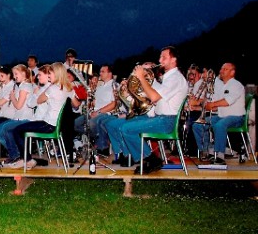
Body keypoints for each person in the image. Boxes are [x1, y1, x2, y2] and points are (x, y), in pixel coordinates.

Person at [105, 46, 188, 174]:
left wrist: (142, 77)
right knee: (124, 126)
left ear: (174, 60)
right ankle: (142, 158)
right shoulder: (169, 77)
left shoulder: (175, 78)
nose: (160, 59)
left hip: (167, 121)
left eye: (164, 57)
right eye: (160, 56)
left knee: (126, 129)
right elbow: (153, 95)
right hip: (160, 118)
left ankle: (150, 159)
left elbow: (154, 97)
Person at [9, 62, 81, 169]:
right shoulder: (68, 89)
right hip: (59, 126)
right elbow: (76, 105)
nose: (48, 76)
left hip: (48, 124)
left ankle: (27, 159)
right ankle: (26, 159)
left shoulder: (52, 89)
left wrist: (39, 90)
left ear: (56, 74)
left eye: (50, 74)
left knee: (16, 130)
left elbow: (38, 100)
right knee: (20, 129)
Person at [191, 62, 245, 165]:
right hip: (221, 116)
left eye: (225, 69)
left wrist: (212, 104)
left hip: (236, 117)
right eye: (221, 69)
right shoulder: (222, 86)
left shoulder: (236, 85)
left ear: (232, 72)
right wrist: (204, 106)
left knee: (220, 125)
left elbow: (227, 102)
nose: (221, 71)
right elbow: (216, 106)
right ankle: (205, 151)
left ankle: (220, 156)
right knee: (198, 125)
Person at [0, 64, 35, 162]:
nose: (14, 76)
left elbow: (18, 106)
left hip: (25, 118)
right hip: (18, 117)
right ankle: (17, 152)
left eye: (16, 74)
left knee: (6, 128)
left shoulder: (25, 87)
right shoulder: (20, 86)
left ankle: (14, 155)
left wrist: (12, 97)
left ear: (24, 74)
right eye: (14, 74)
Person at [74, 64, 116, 156]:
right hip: (94, 113)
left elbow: (114, 104)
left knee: (92, 123)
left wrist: (98, 112)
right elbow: (94, 103)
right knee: (75, 124)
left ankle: (102, 146)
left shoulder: (114, 85)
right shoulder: (100, 87)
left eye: (103, 71)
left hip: (106, 113)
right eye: (100, 71)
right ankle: (96, 140)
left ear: (110, 73)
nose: (100, 73)